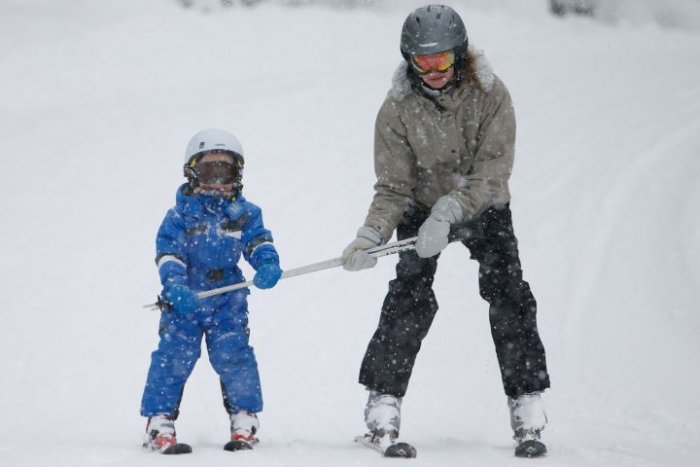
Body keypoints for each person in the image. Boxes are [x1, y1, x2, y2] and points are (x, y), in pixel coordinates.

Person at [341, 5, 551, 458]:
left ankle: (527, 402)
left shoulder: (491, 94)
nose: (433, 70)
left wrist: (452, 209)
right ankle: (383, 402)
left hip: (482, 205)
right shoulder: (397, 108)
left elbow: (494, 171)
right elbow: (393, 187)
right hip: (421, 206)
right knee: (409, 293)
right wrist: (372, 234)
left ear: (459, 55)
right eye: (423, 61)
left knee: (508, 291)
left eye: (442, 60)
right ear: (409, 60)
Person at [140, 128, 282, 453]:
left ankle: (244, 417)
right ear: (192, 173)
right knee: (174, 356)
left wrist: (266, 263)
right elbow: (168, 254)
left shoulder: (244, 213)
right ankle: (159, 420)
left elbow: (258, 241)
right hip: (186, 299)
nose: (217, 181)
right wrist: (174, 285)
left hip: (228, 295)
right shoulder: (179, 216)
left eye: (225, 171)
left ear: (238, 175)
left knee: (234, 354)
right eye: (209, 170)